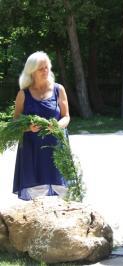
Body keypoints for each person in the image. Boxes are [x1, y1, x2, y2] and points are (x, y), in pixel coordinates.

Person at [13, 51, 70, 200]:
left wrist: (57, 126)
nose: (45, 71)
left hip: (57, 149)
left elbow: (66, 116)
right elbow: (15, 122)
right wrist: (27, 127)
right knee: (36, 200)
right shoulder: (23, 94)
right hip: (32, 151)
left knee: (62, 199)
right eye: (41, 68)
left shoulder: (59, 90)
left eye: (47, 67)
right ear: (32, 72)